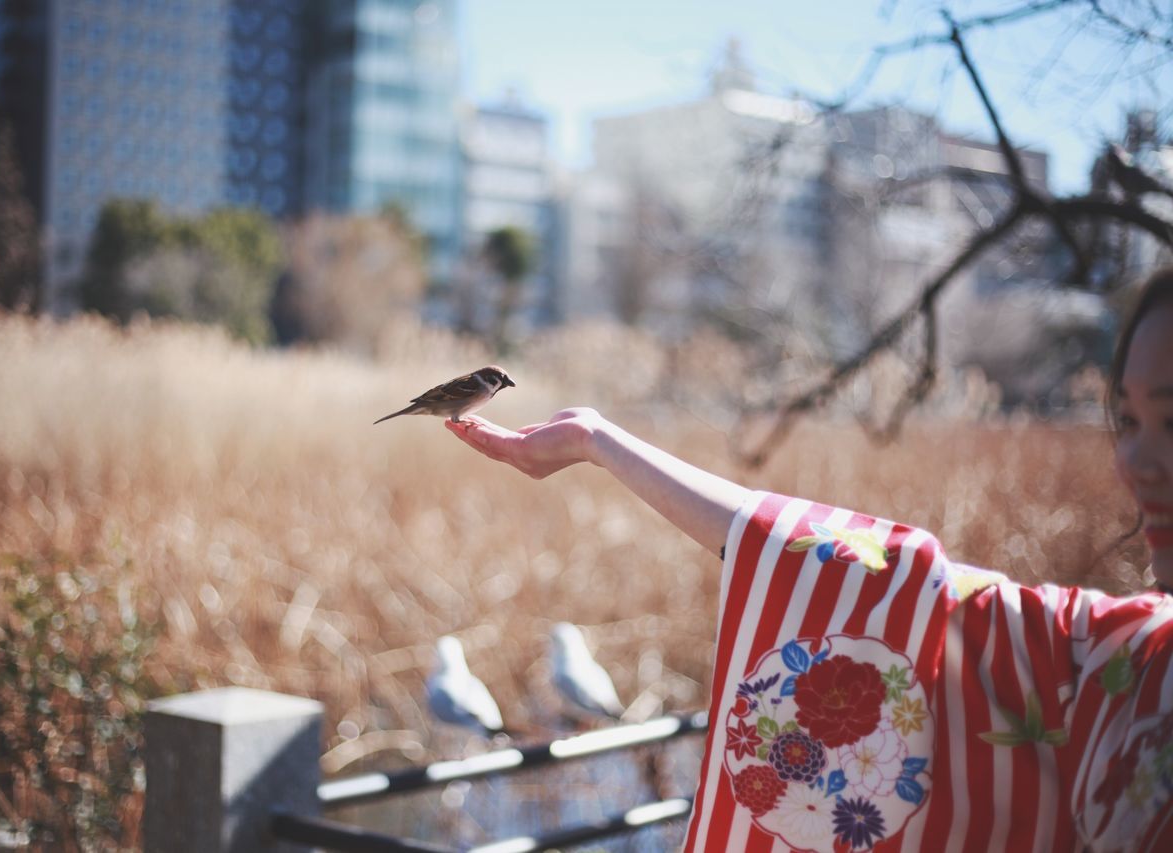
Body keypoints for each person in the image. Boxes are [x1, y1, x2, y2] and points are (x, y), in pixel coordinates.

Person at [445, 267, 1173, 851]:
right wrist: (598, 443)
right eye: (1129, 419)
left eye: (1172, 419)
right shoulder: (1132, 659)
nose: (1134, 460)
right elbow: (903, 599)